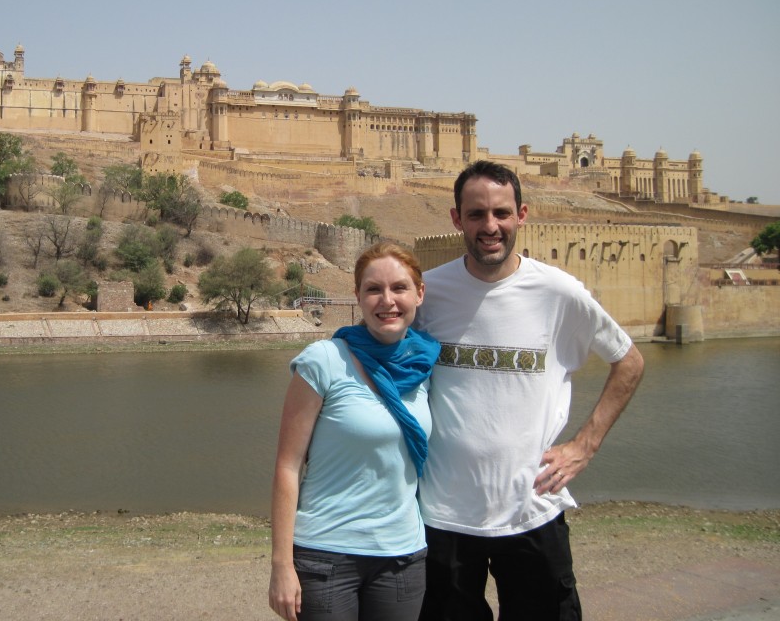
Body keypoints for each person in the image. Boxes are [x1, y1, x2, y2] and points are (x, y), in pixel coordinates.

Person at [414, 160, 645, 621]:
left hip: (532, 511)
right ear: (457, 219)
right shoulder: (427, 293)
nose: (490, 226)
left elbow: (629, 361)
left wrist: (585, 445)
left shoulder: (557, 292)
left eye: (501, 213)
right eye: (476, 214)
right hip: (442, 517)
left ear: (522, 215)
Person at [269, 242, 441, 621]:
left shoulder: (425, 366)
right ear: (358, 297)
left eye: (399, 288)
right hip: (326, 557)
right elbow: (288, 466)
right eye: (373, 289)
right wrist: (281, 565)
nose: (387, 301)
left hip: (401, 556)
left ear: (419, 293)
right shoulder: (325, 360)